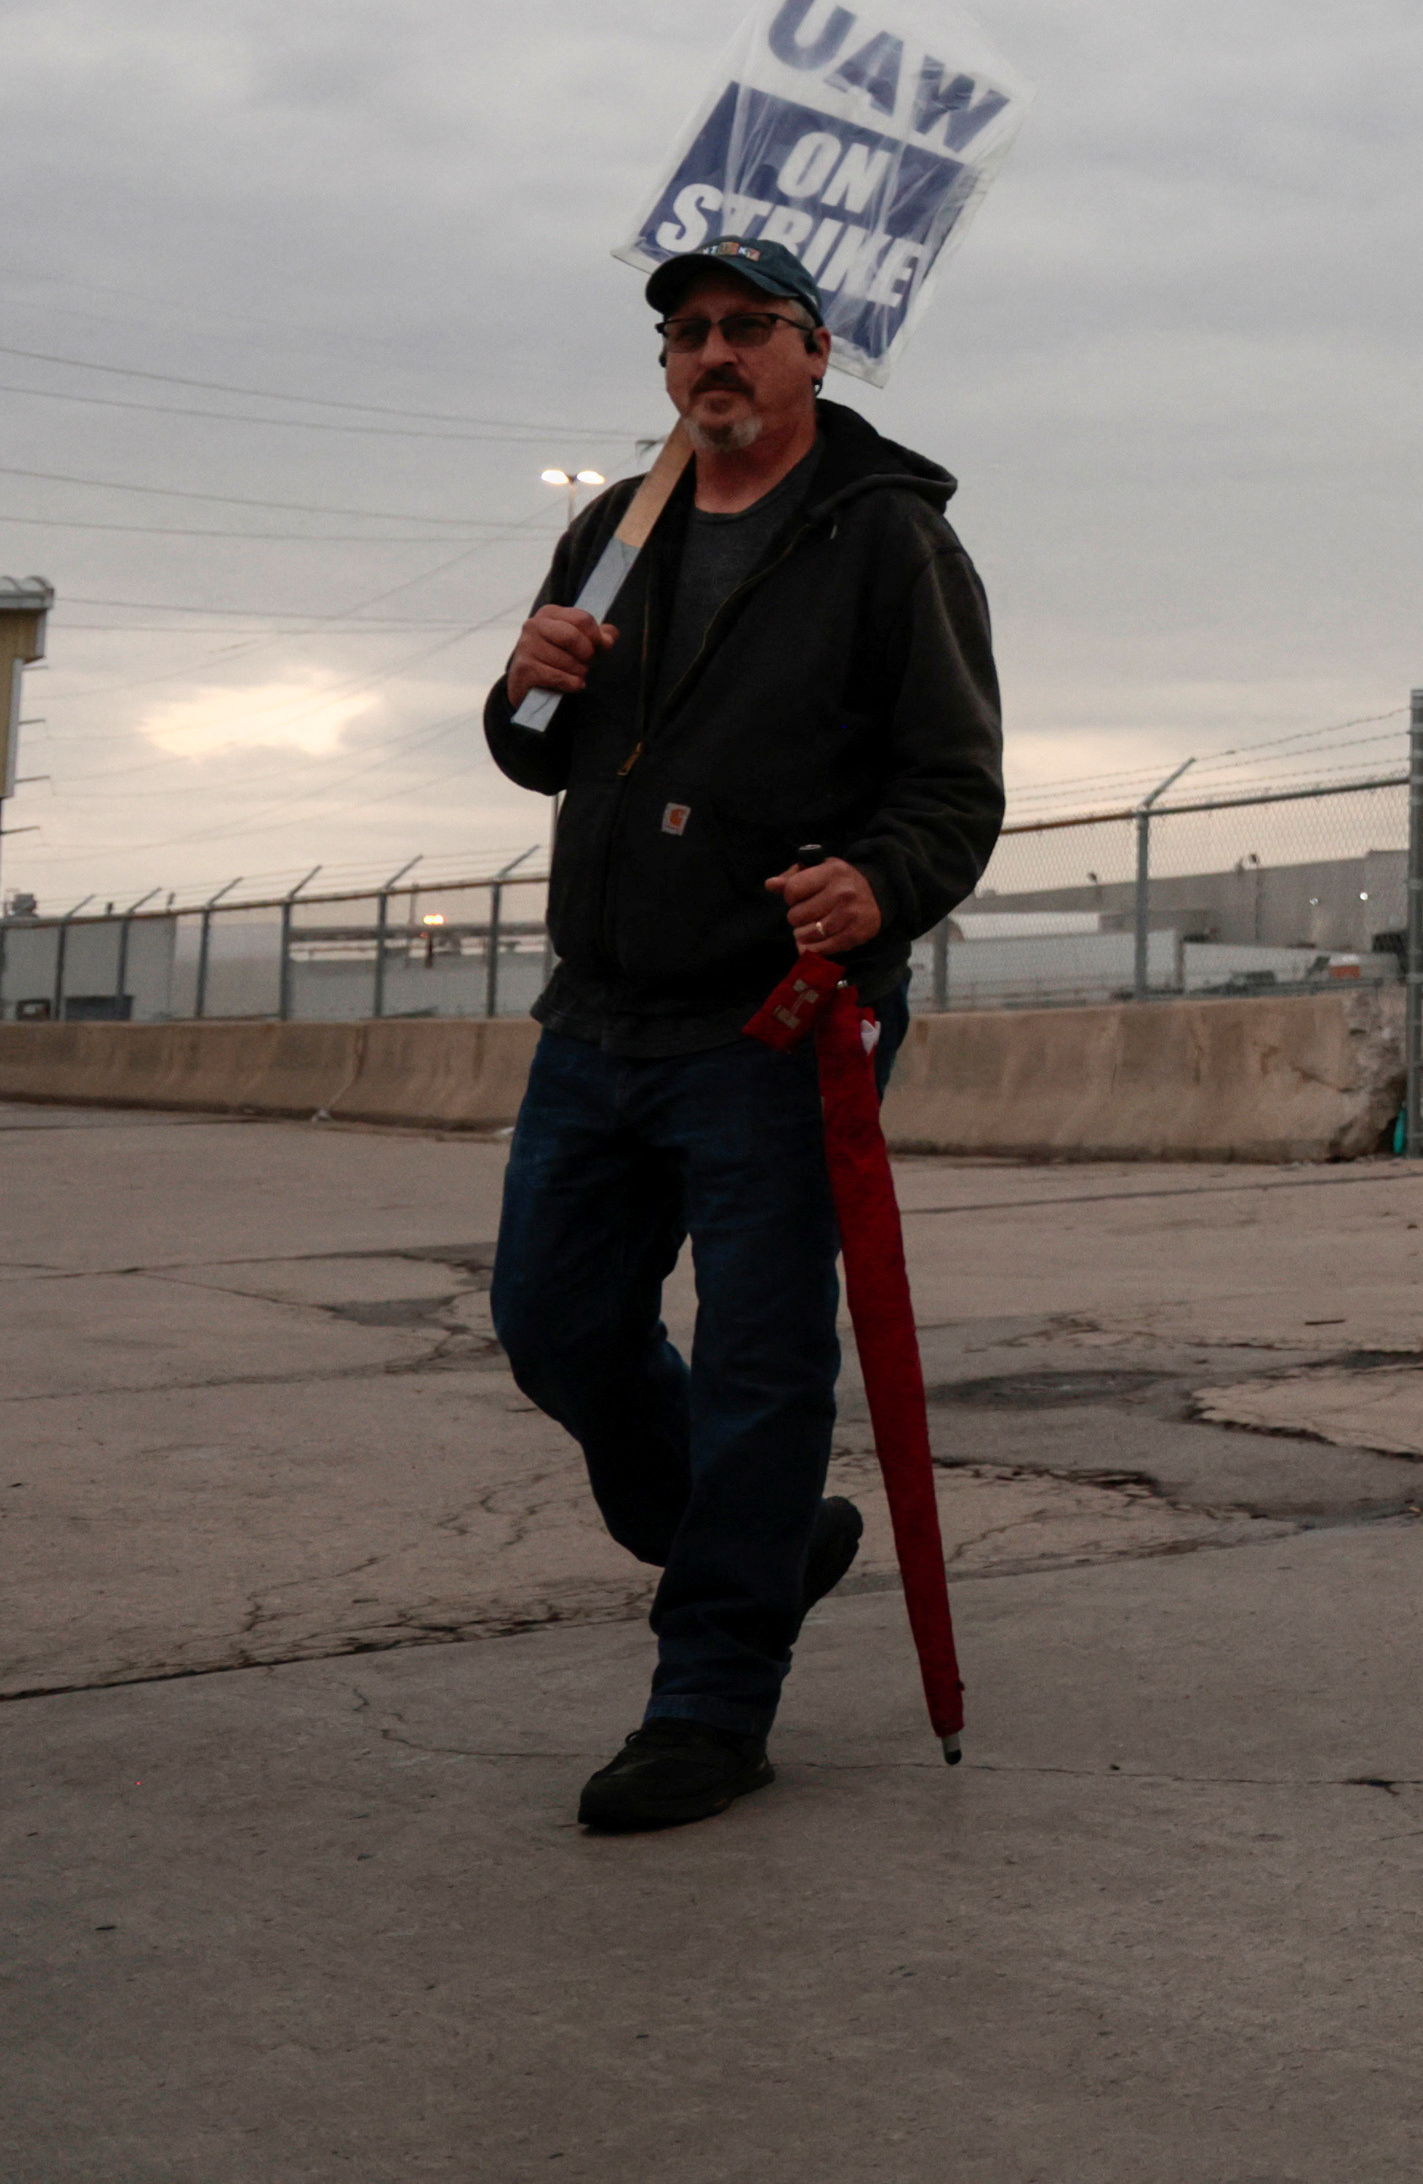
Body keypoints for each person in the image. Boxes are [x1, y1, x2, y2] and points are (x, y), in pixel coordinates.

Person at [481, 236, 1003, 1834]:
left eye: (747, 328)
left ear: (815, 351)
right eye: (688, 333)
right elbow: (538, 757)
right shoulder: (612, 530)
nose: (714, 353)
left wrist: (880, 883)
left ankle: (710, 1696)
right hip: (601, 1012)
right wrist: (522, 687)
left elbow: (953, 787)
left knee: (764, 1356)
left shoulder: (882, 539)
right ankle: (750, 1534)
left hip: (778, 1020)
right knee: (553, 1320)